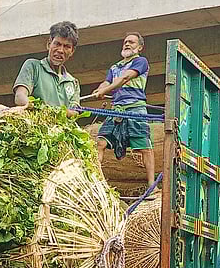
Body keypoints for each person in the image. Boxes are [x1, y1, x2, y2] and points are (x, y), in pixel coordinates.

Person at [92, 32, 154, 181]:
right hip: (116, 110)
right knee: (100, 142)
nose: (127, 44)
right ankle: (97, 181)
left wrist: (105, 91)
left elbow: (124, 78)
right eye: (125, 42)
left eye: (131, 42)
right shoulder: (115, 67)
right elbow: (107, 82)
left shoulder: (141, 61)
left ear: (140, 47)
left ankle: (152, 185)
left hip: (135, 109)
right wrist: (99, 90)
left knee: (144, 148)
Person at [13, 21, 81, 109]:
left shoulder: (73, 82)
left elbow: (75, 112)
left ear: (72, 51)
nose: (60, 50)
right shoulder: (33, 66)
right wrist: (42, 110)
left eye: (66, 46)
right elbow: (19, 97)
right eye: (57, 44)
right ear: (49, 44)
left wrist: (55, 112)